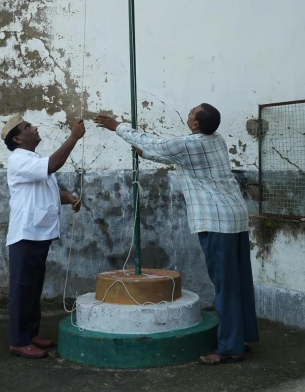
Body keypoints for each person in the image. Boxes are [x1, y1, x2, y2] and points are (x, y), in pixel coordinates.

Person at [95, 104, 259, 365]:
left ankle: (229, 347)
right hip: (234, 216)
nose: (189, 113)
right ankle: (244, 335)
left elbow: (158, 144)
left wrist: (118, 128)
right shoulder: (214, 140)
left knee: (225, 286)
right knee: (238, 282)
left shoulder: (189, 144)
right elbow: (174, 155)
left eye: (191, 112)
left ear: (195, 124)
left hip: (216, 221)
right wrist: (146, 153)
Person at [2, 114, 85, 359]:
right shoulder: (18, 160)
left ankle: (30, 333)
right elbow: (52, 166)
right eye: (27, 127)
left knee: (34, 287)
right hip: (26, 233)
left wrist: (67, 197)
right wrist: (73, 137)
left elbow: (45, 190)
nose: (34, 127)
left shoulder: (33, 159)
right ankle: (18, 341)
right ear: (17, 138)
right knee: (22, 288)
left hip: (39, 232)